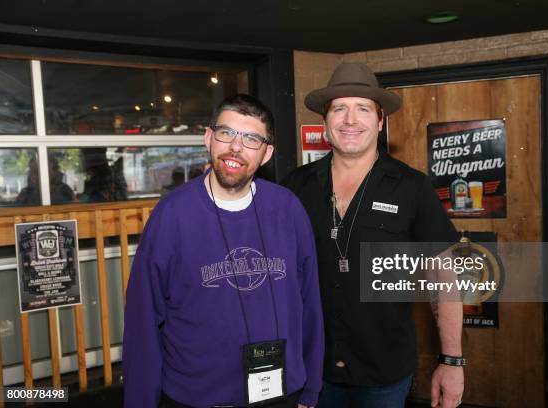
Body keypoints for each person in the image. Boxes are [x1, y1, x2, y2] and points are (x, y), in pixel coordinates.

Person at [123, 94, 324, 408]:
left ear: (267, 153)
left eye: (252, 138)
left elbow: (309, 302)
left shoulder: (288, 209)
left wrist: (311, 387)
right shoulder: (171, 216)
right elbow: (143, 319)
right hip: (196, 399)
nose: (236, 147)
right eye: (227, 133)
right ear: (208, 138)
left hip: (280, 395)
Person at [282, 63, 464, 408]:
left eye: (363, 108)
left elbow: (444, 277)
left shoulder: (412, 186)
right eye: (339, 108)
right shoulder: (295, 186)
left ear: (380, 122)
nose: (350, 120)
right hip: (310, 370)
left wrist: (452, 360)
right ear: (325, 122)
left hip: (384, 374)